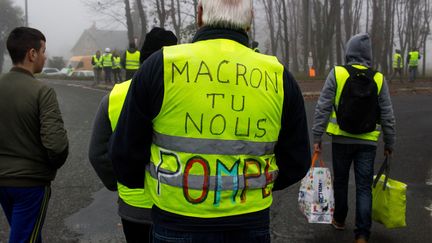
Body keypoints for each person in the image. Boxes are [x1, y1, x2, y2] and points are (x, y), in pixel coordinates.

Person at [110, 1, 311, 242]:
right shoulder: (278, 76)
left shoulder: (160, 66)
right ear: (250, 20)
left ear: (200, 14)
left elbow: (124, 152)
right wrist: (254, 186)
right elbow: (297, 160)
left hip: (176, 218)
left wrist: (156, 187)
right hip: (250, 219)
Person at [88, 28, 177, 243]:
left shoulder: (115, 96)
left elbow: (97, 153)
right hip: (177, 206)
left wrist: (120, 181)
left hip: (134, 207)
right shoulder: (183, 96)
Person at [312, 33, 395, 243]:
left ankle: (339, 219)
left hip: (341, 140)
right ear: (368, 55)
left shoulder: (338, 73)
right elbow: (387, 113)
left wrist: (317, 135)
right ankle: (362, 235)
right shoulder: (378, 78)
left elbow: (323, 106)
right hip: (367, 143)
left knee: (340, 181)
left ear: (349, 52)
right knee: (364, 186)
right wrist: (389, 142)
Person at [0, 27, 69, 243]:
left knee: (28, 234)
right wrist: (48, 168)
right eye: (43, 50)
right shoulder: (42, 91)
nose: (45, 56)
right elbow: (56, 145)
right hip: (30, 184)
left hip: (2, 181)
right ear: (32, 54)